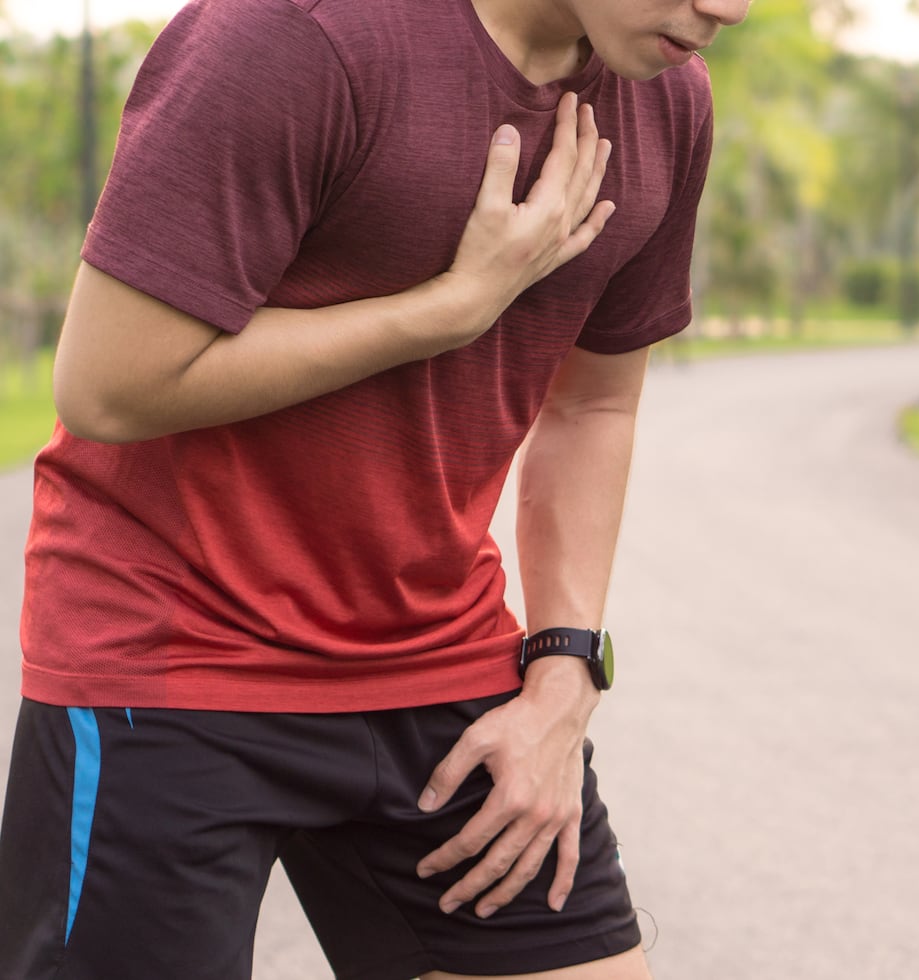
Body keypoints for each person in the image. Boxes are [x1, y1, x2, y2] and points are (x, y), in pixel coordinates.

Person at [0, 0, 749, 976]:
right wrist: (443, 311)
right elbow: (107, 382)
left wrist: (563, 673)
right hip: (173, 654)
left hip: (436, 655)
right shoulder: (289, 36)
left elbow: (592, 410)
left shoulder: (663, 101)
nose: (726, 8)